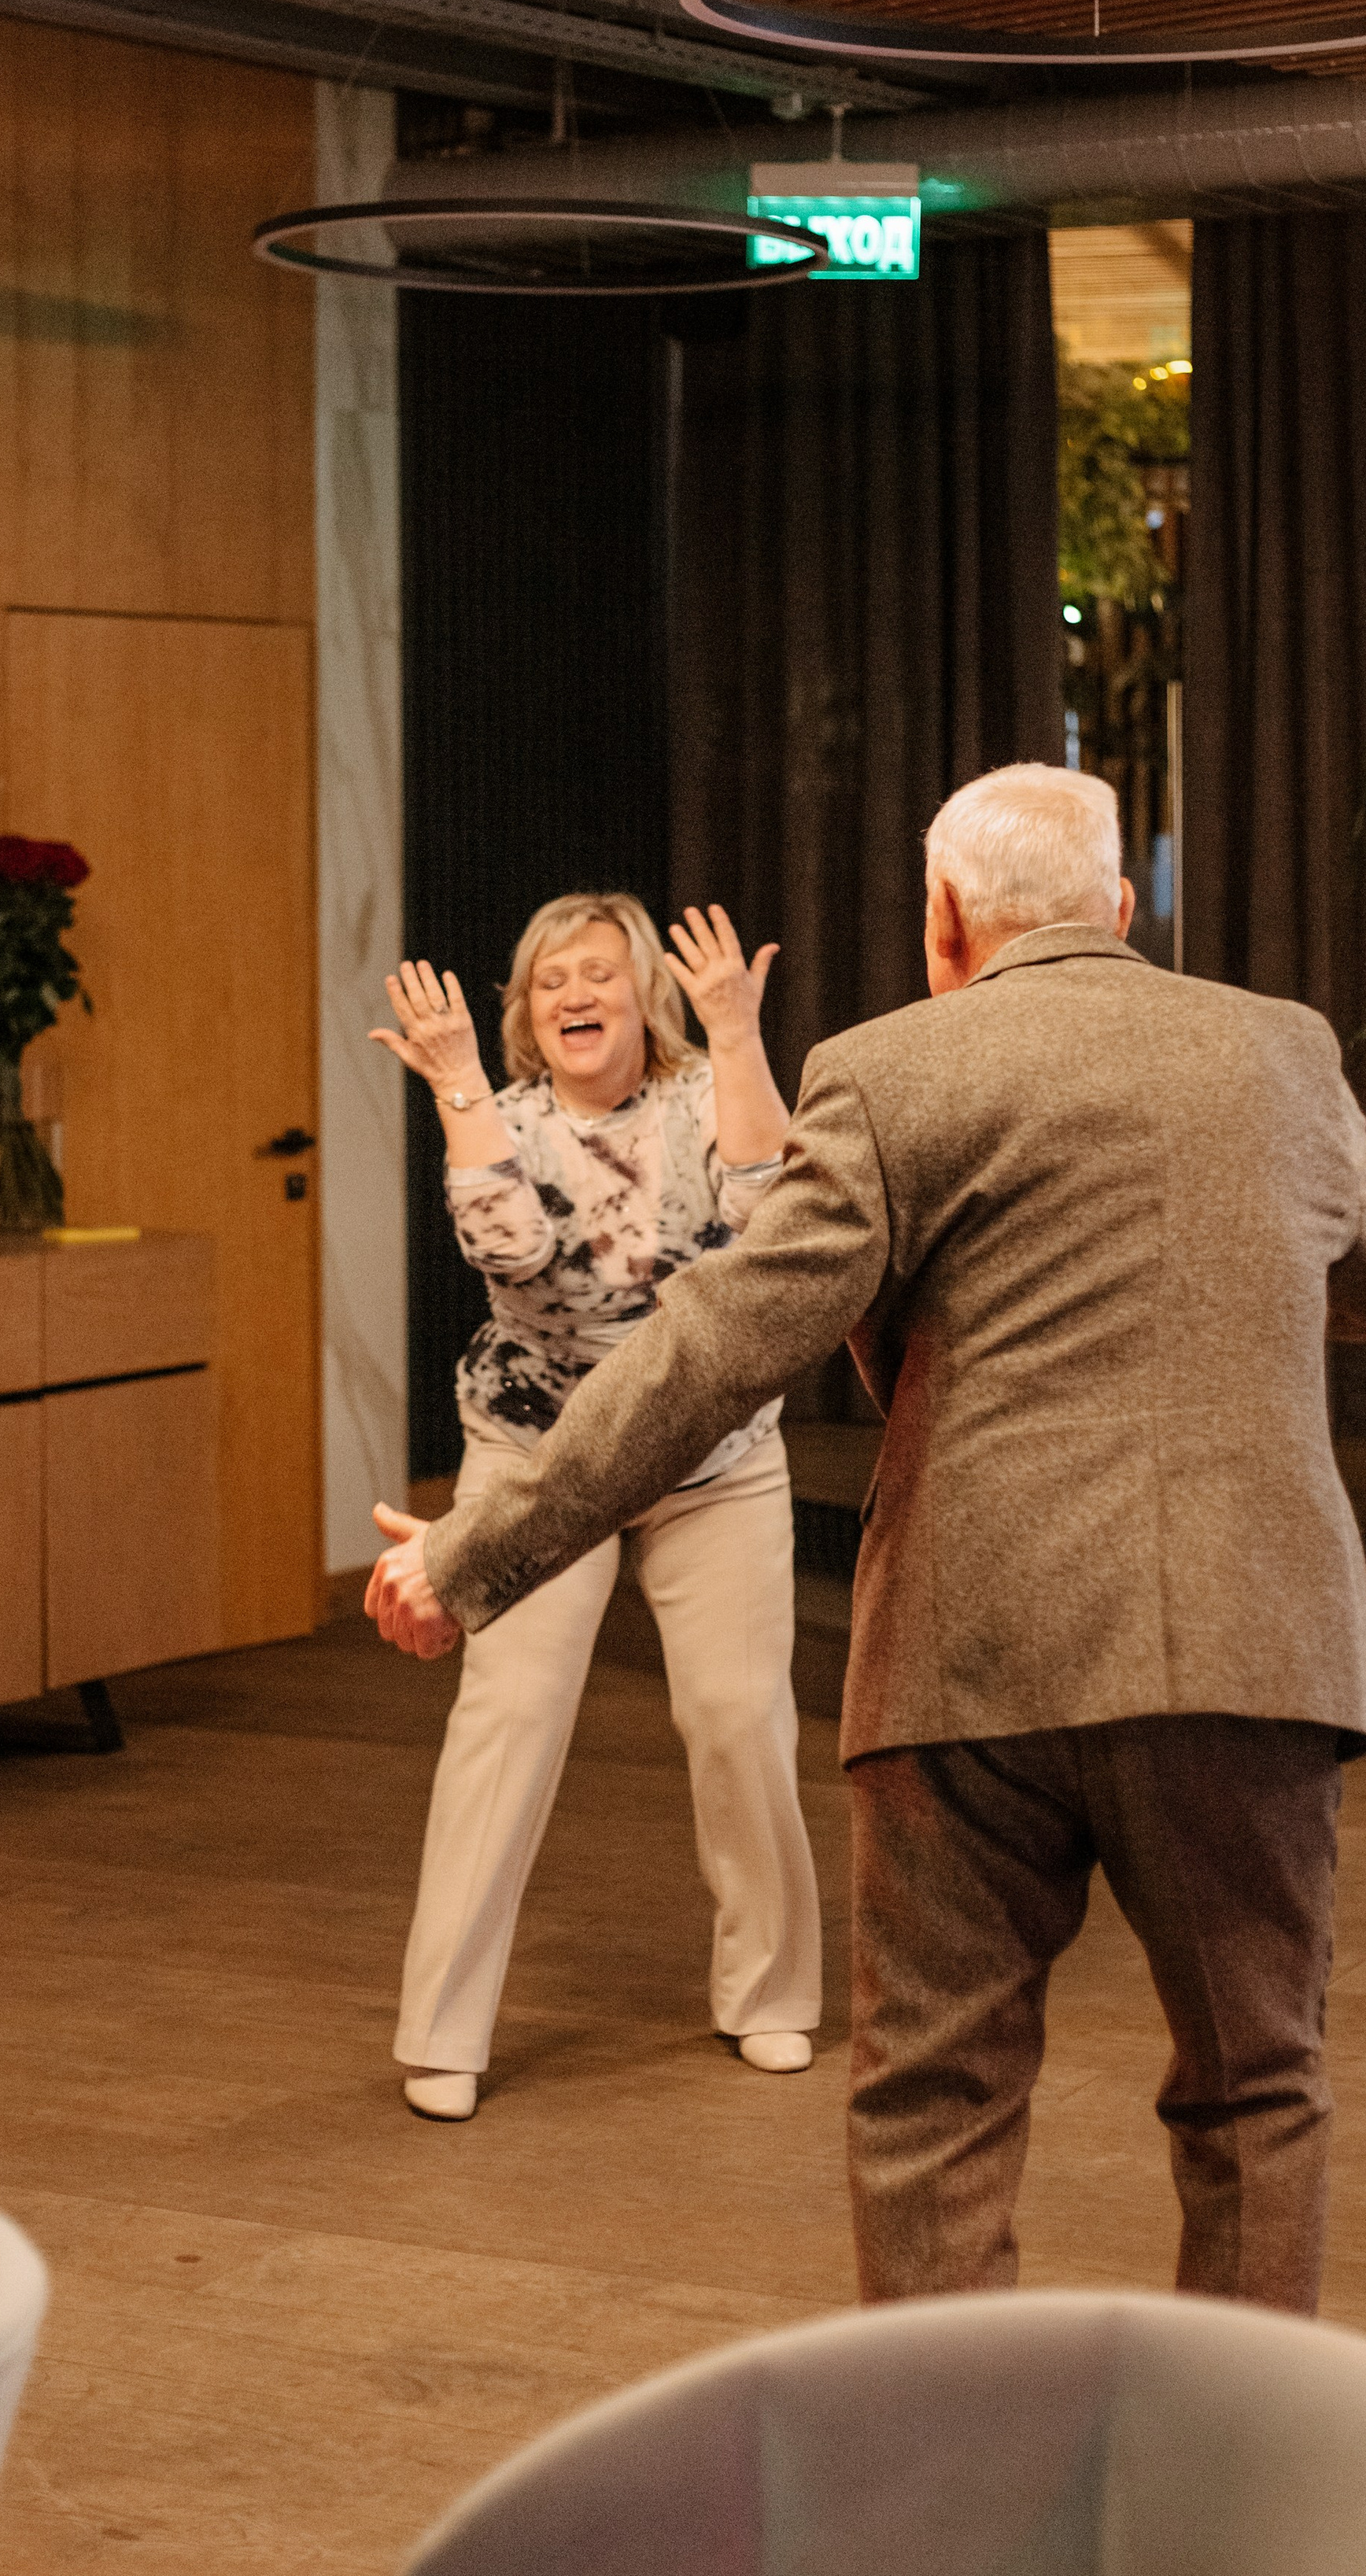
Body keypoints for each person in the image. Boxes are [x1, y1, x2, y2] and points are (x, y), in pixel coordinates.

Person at [368, 767, 1366, 2299]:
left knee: (930, 2110)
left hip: (968, 1658)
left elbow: (712, 1350)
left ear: (943, 919)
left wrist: (468, 1547)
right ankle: (1246, 2487)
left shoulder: (887, 1073)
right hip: (1244, 1643)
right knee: (1255, 2091)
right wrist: (1251, 1262)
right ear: (1118, 909)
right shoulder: (1277, 1051)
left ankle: (936, 2498)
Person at [368, 891, 823, 2123]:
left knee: (740, 1717)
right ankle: (444, 2030)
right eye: (549, 980)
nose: (574, 994)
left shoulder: (694, 1096)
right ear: (523, 1015)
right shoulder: (503, 1116)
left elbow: (767, 1210)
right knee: (506, 1717)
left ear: (646, 1003)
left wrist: (736, 1033)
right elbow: (508, 1249)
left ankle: (771, 1995)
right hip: (534, 1453)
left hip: (708, 1450)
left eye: (600, 975)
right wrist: (456, 1082)